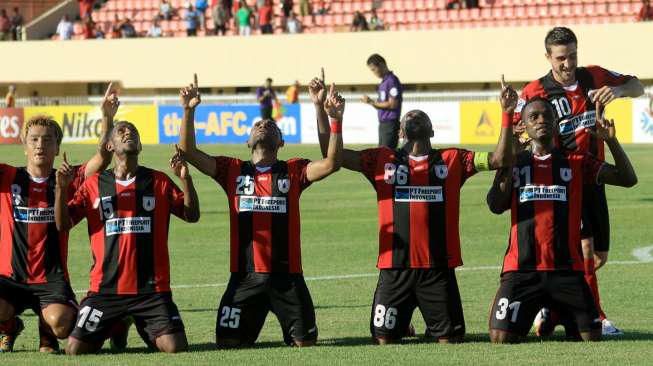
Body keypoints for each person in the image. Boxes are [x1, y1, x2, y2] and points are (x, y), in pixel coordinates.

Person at [311, 69, 515, 344]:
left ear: (432, 130)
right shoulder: (381, 159)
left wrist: (506, 113)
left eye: (422, 116)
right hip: (395, 269)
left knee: (449, 341)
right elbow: (331, 157)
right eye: (409, 116)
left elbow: (500, 158)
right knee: (383, 340)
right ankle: (403, 320)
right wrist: (330, 117)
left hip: (438, 269)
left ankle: (426, 321)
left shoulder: (454, 159)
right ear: (400, 131)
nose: (414, 115)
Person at [177, 74, 344, 347]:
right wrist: (188, 109)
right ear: (247, 142)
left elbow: (332, 162)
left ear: (281, 143)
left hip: (288, 278)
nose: (264, 124)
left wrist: (327, 114)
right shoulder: (231, 170)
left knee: (305, 345)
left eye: (270, 125)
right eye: (257, 125)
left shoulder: (294, 170)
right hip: (244, 278)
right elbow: (188, 151)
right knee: (228, 344)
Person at [513, 27, 644, 336]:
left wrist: (619, 92)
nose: (568, 64)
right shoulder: (535, 90)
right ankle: (597, 317)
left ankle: (553, 306)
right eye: (561, 58)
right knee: (583, 250)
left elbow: (636, 85)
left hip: (593, 177)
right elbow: (518, 130)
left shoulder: (594, 76)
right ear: (548, 57)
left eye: (572, 56)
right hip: (563, 179)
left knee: (598, 256)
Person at [487, 98, 637, 344]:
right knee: (500, 337)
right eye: (534, 117)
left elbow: (627, 178)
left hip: (566, 270)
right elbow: (495, 205)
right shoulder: (516, 164)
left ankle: (553, 309)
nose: (541, 120)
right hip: (522, 270)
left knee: (591, 337)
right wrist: (507, 163)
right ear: (523, 127)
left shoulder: (576, 161)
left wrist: (611, 140)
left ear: (557, 125)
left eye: (547, 116)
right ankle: (547, 307)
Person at [54, 125, 200, 355]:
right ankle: (119, 323)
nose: (128, 133)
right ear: (109, 146)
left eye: (133, 132)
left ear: (140, 146)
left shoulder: (158, 181)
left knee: (175, 347)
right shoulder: (92, 185)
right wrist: (61, 190)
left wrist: (185, 179)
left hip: (151, 290)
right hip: (105, 291)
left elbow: (192, 216)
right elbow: (63, 225)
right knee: (74, 350)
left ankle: (135, 320)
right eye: (121, 131)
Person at [0, 84, 118, 353]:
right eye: (34, 139)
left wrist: (107, 117)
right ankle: (8, 327)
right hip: (9, 277)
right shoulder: (7, 177)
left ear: (57, 148)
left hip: (50, 279)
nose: (40, 144)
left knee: (63, 324)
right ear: (24, 147)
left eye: (47, 139)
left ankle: (47, 333)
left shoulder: (67, 177)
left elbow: (104, 157)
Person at [362, 54, 403, 149]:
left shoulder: (392, 81)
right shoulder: (384, 82)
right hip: (384, 124)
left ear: (381, 65)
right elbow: (384, 103)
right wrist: (371, 102)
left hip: (390, 124)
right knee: (381, 154)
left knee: (386, 156)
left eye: (373, 69)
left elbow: (393, 104)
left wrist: (372, 102)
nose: (373, 73)